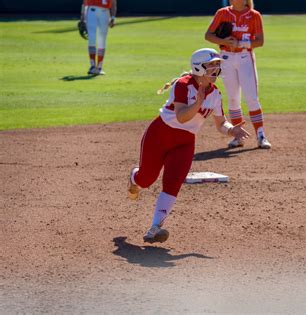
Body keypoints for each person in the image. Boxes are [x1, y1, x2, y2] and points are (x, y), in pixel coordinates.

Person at [128, 48, 250, 243]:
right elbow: (182, 117)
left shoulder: (215, 94)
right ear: (198, 67)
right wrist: (198, 101)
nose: (216, 68)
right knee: (146, 180)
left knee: (173, 183)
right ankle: (135, 177)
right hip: (160, 135)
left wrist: (231, 130)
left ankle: (155, 228)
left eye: (217, 64)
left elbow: (220, 124)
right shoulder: (183, 85)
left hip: (185, 143)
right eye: (212, 65)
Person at [205, 0, 271, 149]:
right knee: (233, 98)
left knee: (251, 98)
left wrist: (241, 43)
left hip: (245, 58)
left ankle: (261, 135)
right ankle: (237, 136)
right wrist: (224, 41)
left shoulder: (254, 15)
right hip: (226, 58)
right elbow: (208, 35)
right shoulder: (222, 13)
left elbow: (260, 41)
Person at [80, 0, 117, 75]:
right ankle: (93, 66)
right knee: (92, 38)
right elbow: (84, 2)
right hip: (91, 11)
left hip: (105, 12)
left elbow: (113, 3)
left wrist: (113, 17)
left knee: (102, 40)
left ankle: (99, 67)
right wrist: (82, 15)